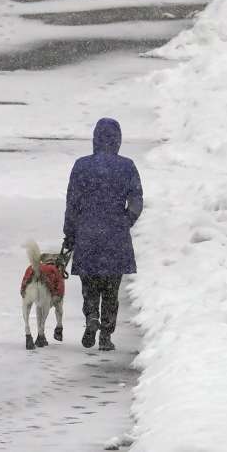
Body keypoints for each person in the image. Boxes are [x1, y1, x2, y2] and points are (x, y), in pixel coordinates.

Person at [62, 118, 143, 352]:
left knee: (90, 286)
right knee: (111, 289)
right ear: (117, 140)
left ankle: (91, 318)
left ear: (95, 139)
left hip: (87, 234)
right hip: (115, 236)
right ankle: (106, 335)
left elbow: (72, 203)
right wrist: (125, 220)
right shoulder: (127, 166)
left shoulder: (81, 166)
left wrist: (70, 233)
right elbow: (136, 200)